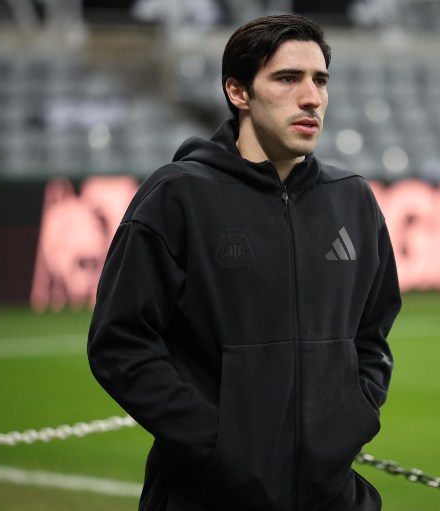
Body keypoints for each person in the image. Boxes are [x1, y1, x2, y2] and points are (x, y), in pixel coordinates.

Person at [87, 14, 402, 511]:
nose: (311, 98)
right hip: (205, 496)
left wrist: (354, 418)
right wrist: (216, 445)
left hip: (332, 495)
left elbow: (374, 330)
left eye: (320, 80)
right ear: (238, 92)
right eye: (287, 78)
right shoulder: (178, 196)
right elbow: (121, 342)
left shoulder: (353, 200)